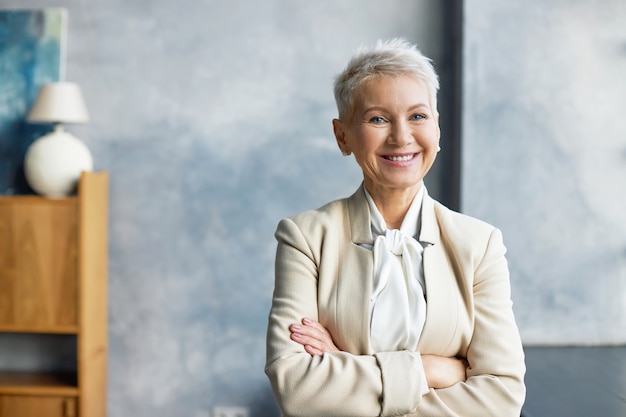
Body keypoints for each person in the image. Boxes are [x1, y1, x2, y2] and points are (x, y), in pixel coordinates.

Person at [265, 38, 526, 417]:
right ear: (343, 136)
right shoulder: (305, 237)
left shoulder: (479, 244)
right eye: (377, 119)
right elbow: (296, 387)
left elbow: (502, 397)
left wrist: (343, 366)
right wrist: (433, 370)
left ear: (437, 128)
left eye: (418, 116)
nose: (401, 137)